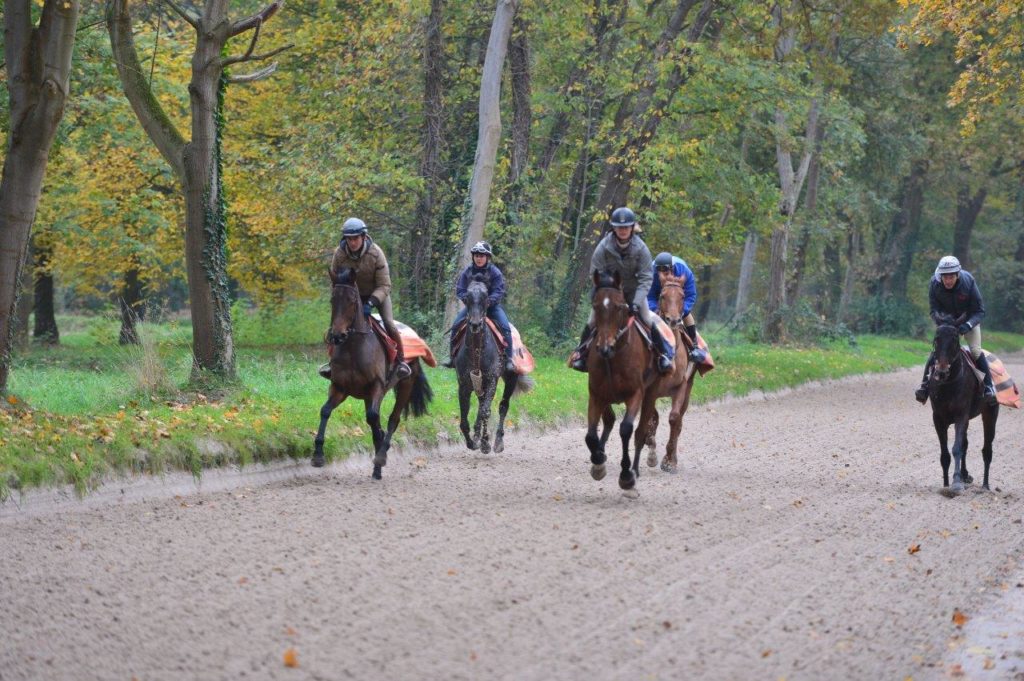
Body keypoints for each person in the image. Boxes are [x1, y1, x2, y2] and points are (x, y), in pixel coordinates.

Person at [570, 206, 674, 374]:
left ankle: (663, 356)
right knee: (591, 321)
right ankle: (581, 355)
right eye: (619, 227)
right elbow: (594, 272)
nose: (623, 230)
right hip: (609, 293)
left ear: (632, 228)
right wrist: (606, 290)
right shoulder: (603, 247)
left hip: (634, 293)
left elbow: (646, 278)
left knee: (647, 319)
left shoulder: (641, 249)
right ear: (614, 228)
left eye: (626, 227)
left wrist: (636, 302)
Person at [320, 217, 411, 381]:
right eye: (349, 238)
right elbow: (335, 281)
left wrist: (371, 303)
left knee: (389, 324)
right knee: (336, 325)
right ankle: (332, 364)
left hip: (376, 294)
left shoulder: (376, 253)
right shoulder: (339, 254)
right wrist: (338, 299)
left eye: (355, 238)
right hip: (349, 297)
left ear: (363, 236)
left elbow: (385, 285)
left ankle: (400, 362)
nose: (352, 242)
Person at [915, 255, 996, 404]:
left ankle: (989, 388)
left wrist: (968, 325)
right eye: (944, 277)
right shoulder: (934, 283)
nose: (948, 280)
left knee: (975, 350)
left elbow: (980, 311)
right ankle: (924, 386)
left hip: (968, 321)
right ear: (940, 275)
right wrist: (941, 322)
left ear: (958, 274)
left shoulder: (968, 281)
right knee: (937, 352)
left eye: (951, 276)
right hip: (946, 323)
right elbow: (933, 310)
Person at [442, 241, 516, 373]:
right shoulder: (467, 272)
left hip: (491, 308)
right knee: (456, 326)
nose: (479, 258)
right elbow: (460, 289)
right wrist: (468, 300)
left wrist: (488, 302)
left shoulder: (495, 272)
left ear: (487, 257)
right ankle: (452, 358)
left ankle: (509, 359)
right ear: (473, 257)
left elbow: (499, 291)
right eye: (476, 255)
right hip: (473, 308)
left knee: (505, 327)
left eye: (482, 256)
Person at [647, 251, 704, 363]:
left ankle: (694, 347)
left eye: (666, 270)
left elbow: (691, 295)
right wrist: (656, 310)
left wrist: (682, 311)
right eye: (660, 271)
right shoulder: (651, 273)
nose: (663, 274)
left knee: (687, 315)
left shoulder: (684, 271)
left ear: (672, 268)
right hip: (660, 297)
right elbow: (649, 296)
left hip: (678, 299)